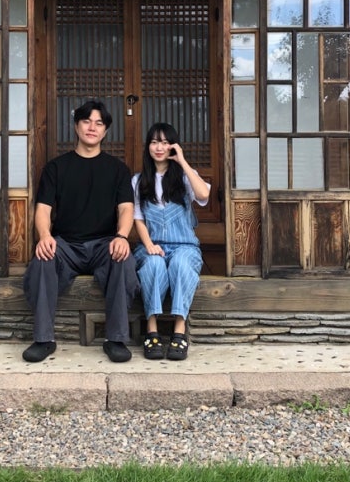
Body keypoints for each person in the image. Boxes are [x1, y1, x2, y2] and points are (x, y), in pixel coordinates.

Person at [22, 99, 138, 363]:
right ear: (76, 126)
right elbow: (43, 209)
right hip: (66, 245)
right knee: (42, 259)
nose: (92, 128)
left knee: (124, 259)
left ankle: (116, 339)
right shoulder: (56, 168)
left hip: (104, 244)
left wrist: (121, 236)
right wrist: (45, 236)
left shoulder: (118, 170)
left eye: (99, 123)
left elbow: (126, 209)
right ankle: (43, 339)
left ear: (105, 131)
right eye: (86, 121)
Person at [132, 122, 210, 361]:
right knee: (154, 265)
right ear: (148, 146)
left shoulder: (184, 177)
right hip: (152, 244)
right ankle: (152, 330)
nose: (159, 148)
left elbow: (203, 194)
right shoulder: (138, 181)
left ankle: (179, 330)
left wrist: (182, 161)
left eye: (165, 143)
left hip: (184, 246)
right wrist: (148, 245)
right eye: (155, 142)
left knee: (180, 265)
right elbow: (138, 219)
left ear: (173, 146)